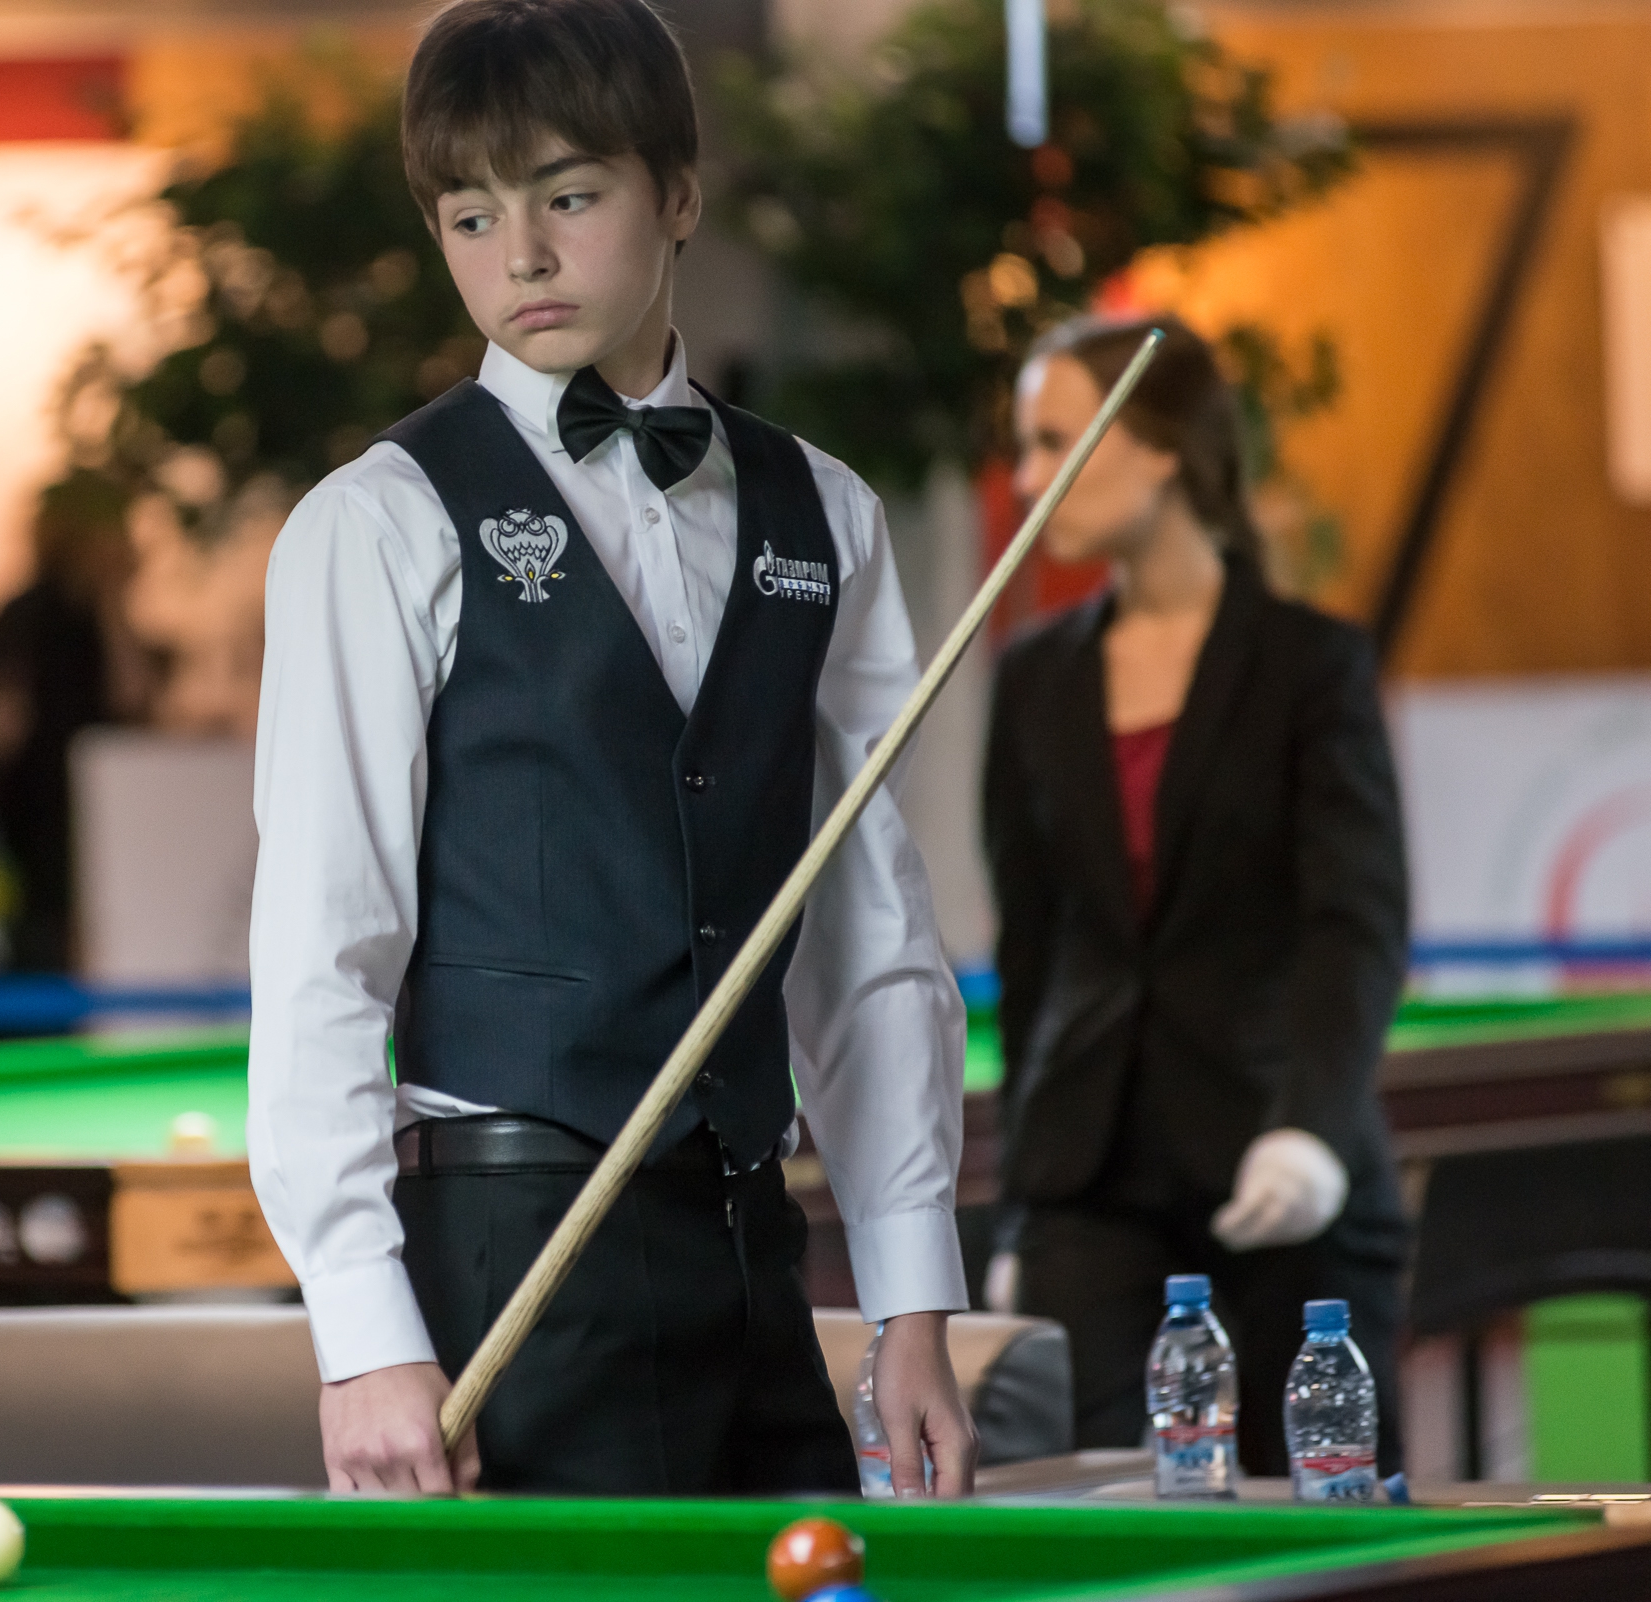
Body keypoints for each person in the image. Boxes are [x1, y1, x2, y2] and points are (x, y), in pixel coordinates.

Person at [248, 0, 975, 1498]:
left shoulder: (825, 512)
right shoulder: (374, 523)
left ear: (680, 194)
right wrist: (362, 1333)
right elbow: (323, 948)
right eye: (471, 217)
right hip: (516, 1261)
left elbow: (862, 925)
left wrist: (910, 1296)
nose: (519, 256)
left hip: (752, 1244)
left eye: (568, 198)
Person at [981, 314, 1410, 1477]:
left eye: (1056, 441)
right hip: (1089, 1175)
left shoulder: (1310, 664)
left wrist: (1311, 1130)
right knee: (1073, 1506)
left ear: (1161, 448)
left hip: (1279, 1161)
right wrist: (1018, 1207)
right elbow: (1033, 952)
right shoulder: (1032, 678)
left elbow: (1356, 923)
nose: (1027, 479)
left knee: (1319, 1513)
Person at [0, 470, 146, 972]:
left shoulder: (97, 617)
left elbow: (134, 702)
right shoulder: (27, 618)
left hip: (94, 815)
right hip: (42, 821)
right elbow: (3, 730)